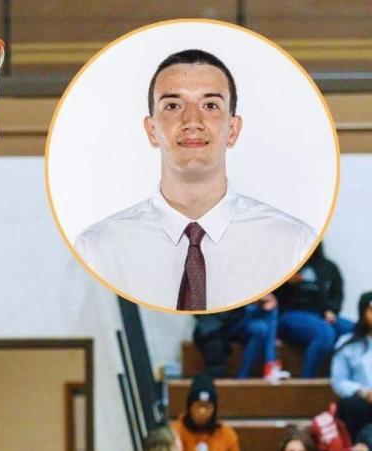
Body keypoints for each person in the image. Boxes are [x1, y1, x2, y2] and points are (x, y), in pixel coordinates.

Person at [74, 49, 315, 311]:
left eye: (210, 105)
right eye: (173, 106)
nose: (192, 121)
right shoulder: (99, 249)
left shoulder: (293, 244)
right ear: (151, 130)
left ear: (232, 130)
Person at [275, 244, 356, 377]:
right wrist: (286, 284)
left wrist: (331, 310)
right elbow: (271, 298)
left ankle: (340, 378)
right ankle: (307, 383)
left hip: (321, 314)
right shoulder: (286, 265)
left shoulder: (328, 267)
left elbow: (337, 294)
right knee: (325, 333)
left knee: (355, 331)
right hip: (290, 313)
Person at [192, 294, 290, 382]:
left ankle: (244, 377)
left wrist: (256, 298)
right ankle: (270, 365)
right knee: (270, 310)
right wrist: (250, 298)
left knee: (261, 327)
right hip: (219, 324)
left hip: (236, 316)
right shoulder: (205, 279)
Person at [331, 291, 372, 438]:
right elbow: (339, 381)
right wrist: (364, 392)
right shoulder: (347, 344)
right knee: (353, 405)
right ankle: (356, 449)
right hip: (363, 402)